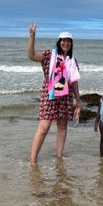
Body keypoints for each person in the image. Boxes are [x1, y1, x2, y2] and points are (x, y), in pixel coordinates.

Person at [27, 22, 82, 164]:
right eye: (63, 40)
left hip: (66, 97)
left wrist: (78, 101)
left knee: (62, 126)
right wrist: (32, 36)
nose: (66, 43)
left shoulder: (72, 61)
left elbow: (74, 82)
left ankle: (59, 157)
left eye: (69, 41)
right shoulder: (49, 55)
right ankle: (32, 161)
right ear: (59, 42)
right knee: (44, 127)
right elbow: (31, 55)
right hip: (50, 95)